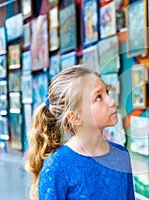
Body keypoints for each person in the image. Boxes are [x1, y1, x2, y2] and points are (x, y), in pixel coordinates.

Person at [25, 66, 135, 200]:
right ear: (74, 117)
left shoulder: (121, 155)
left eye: (107, 92)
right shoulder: (57, 166)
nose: (112, 101)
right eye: (98, 97)